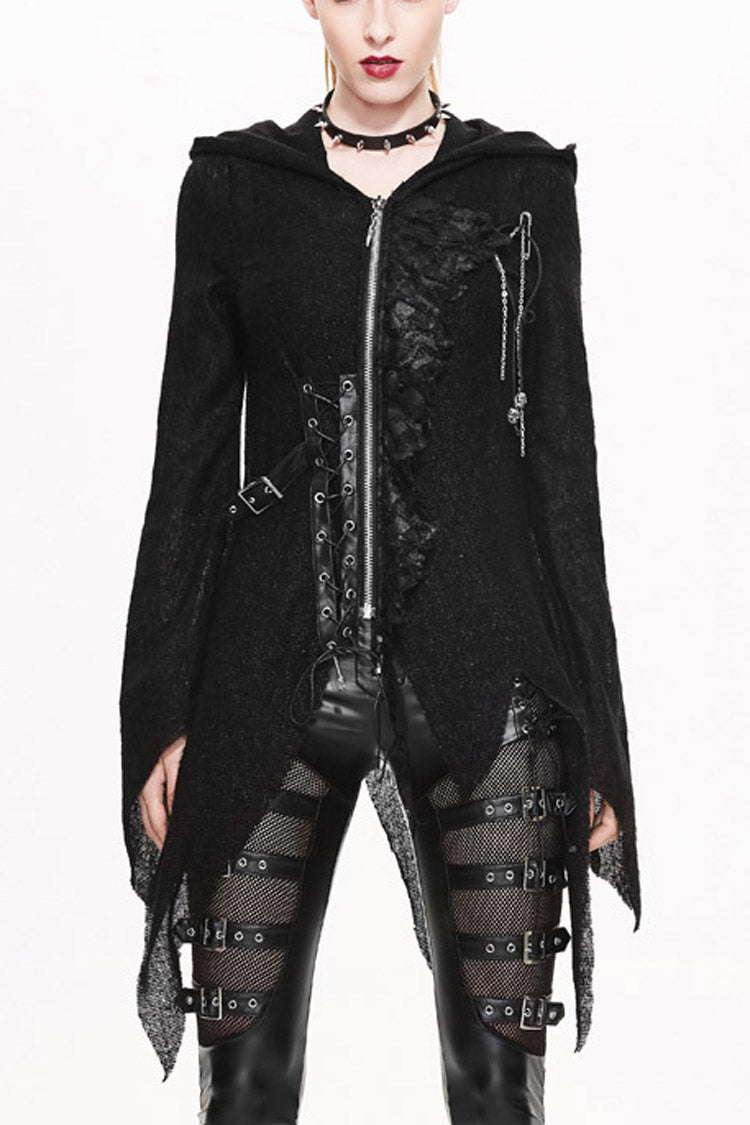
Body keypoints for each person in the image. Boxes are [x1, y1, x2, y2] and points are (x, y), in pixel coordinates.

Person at [119, 1, 642, 1120]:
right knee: (243, 1093)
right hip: (267, 671)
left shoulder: (522, 187)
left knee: (498, 1092)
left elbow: (562, 465)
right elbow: (189, 465)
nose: (379, 23)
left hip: (489, 680)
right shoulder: (235, 188)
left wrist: (599, 727)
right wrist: (160, 705)